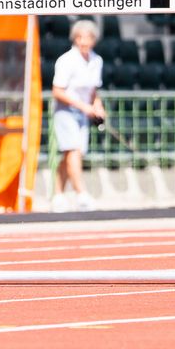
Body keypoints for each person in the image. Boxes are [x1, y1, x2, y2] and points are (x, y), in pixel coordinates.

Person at [51, 19, 107, 211]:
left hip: (84, 112)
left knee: (71, 153)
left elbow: (93, 92)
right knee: (73, 150)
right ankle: (81, 194)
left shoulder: (96, 60)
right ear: (74, 38)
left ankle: (58, 195)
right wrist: (84, 107)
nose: (83, 42)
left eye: (88, 38)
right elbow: (58, 91)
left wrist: (97, 107)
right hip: (66, 111)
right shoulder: (66, 60)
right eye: (80, 37)